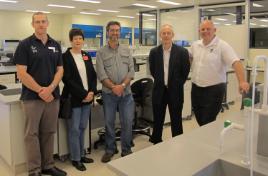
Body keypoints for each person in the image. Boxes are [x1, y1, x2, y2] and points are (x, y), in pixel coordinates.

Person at [14, 12, 66, 176]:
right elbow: (21, 73)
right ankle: (34, 170)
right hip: (31, 98)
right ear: (33, 24)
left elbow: (60, 70)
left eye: (43, 21)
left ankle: (48, 165)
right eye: (37, 22)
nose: (41, 24)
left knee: (49, 132)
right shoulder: (25, 44)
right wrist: (40, 91)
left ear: (48, 23)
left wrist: (50, 88)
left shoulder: (55, 45)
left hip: (52, 97)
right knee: (32, 134)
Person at [189, 20, 250, 126]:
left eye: (208, 29)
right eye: (203, 29)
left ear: (214, 30)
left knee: (207, 120)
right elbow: (189, 59)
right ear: (199, 31)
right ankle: (206, 138)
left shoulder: (222, 45)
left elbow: (236, 62)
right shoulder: (195, 45)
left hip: (214, 90)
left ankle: (208, 140)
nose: (205, 31)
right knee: (199, 117)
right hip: (196, 89)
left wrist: (242, 81)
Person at [96, 21, 135, 163]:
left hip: (126, 94)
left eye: (117, 30)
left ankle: (126, 149)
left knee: (127, 122)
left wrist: (122, 85)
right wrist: (114, 87)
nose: (115, 33)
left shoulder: (126, 50)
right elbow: (101, 74)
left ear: (120, 32)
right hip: (109, 94)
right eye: (112, 30)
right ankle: (110, 149)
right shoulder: (101, 52)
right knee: (109, 122)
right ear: (107, 32)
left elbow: (131, 71)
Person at [61, 28, 97, 171]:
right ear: (71, 40)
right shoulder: (65, 57)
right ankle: (75, 158)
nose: (78, 41)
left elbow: (93, 76)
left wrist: (92, 91)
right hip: (74, 98)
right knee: (74, 129)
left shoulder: (86, 55)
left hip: (87, 98)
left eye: (80, 38)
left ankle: (82, 154)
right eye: (75, 38)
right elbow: (67, 79)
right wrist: (83, 94)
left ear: (83, 40)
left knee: (82, 127)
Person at [148, 24, 190, 144]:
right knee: (158, 119)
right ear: (160, 35)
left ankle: (177, 142)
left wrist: (176, 84)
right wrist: (162, 82)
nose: (166, 35)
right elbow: (153, 70)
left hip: (175, 91)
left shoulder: (182, 52)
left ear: (173, 35)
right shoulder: (154, 52)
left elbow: (185, 71)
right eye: (163, 33)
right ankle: (156, 141)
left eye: (168, 33)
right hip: (159, 90)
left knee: (176, 119)